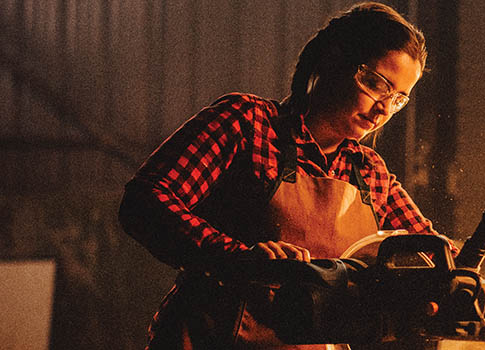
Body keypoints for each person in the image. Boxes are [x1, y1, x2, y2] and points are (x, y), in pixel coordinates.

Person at [118, 2, 451, 349]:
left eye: (398, 99)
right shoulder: (248, 123)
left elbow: (432, 250)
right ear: (333, 60)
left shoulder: (370, 173)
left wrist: (469, 284)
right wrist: (237, 257)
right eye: (376, 84)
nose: (384, 108)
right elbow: (145, 200)